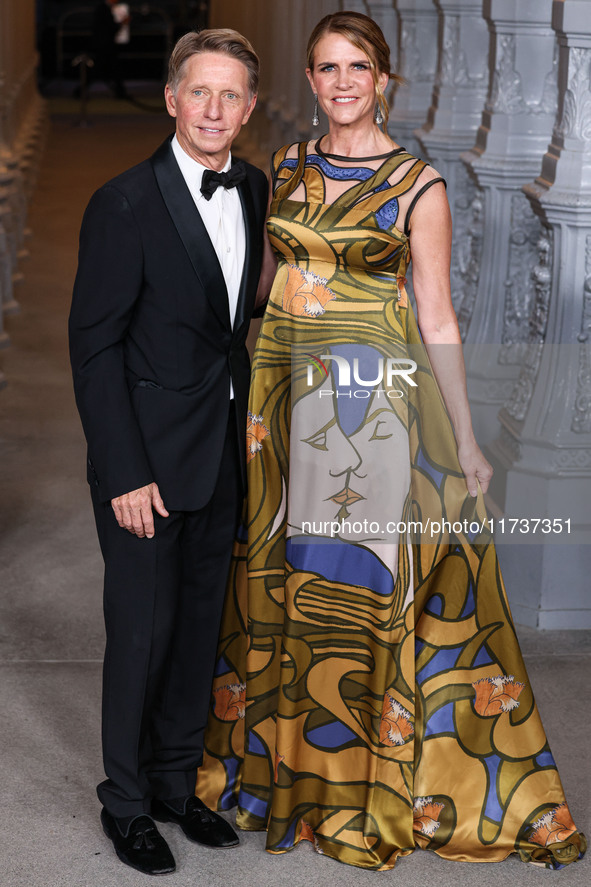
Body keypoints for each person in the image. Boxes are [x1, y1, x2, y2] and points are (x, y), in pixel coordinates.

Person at [194, 11, 586, 872]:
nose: (340, 83)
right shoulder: (288, 166)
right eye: (326, 68)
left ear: (383, 79)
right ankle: (282, 777)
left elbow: (437, 316)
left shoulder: (419, 185)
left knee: (356, 587)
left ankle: (359, 789)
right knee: (280, 583)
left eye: (356, 68)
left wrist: (467, 440)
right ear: (310, 79)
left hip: (369, 411)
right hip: (279, 400)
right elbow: (264, 278)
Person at [69, 28, 268, 876]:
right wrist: (122, 471)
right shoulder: (122, 202)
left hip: (221, 444)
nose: (214, 109)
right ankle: (124, 803)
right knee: (141, 634)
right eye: (200, 92)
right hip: (143, 462)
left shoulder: (252, 187)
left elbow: (236, 316)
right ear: (171, 99)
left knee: (196, 631)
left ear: (249, 107)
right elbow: (95, 346)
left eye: (231, 95)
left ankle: (174, 785)